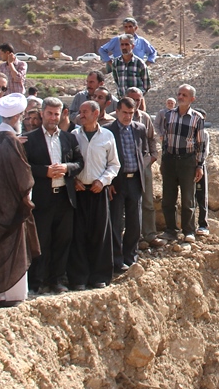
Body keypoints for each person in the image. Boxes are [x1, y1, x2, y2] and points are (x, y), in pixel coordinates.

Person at [0, 93, 39, 306]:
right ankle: (9, 294)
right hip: (11, 203)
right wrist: (27, 196)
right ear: (18, 116)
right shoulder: (11, 140)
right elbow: (22, 176)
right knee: (11, 246)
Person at [24, 97, 83, 294]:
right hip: (42, 197)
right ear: (42, 113)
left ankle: (56, 280)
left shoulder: (68, 138)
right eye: (49, 113)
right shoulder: (30, 139)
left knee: (62, 239)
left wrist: (66, 168)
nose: (52, 117)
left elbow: (79, 163)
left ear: (62, 115)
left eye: (56, 114)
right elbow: (25, 167)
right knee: (41, 240)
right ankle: (36, 281)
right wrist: (44, 172)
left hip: (64, 198)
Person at [71, 100, 119, 289]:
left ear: (96, 113)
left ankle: (99, 276)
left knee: (100, 233)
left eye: (84, 112)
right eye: (80, 112)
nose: (81, 115)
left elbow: (114, 164)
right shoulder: (74, 136)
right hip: (79, 191)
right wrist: (74, 180)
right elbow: (68, 161)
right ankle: (79, 277)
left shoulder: (107, 136)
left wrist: (103, 181)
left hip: (98, 191)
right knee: (78, 234)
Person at [158, 84, 207, 242]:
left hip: (187, 161)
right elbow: (165, 139)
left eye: (184, 95)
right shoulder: (168, 115)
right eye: (179, 94)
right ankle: (170, 230)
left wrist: (199, 165)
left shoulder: (197, 118)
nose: (180, 97)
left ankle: (189, 231)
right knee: (168, 198)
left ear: (192, 99)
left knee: (188, 199)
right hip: (170, 160)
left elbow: (200, 144)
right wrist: (163, 160)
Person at [107, 96, 148, 271]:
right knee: (116, 221)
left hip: (135, 181)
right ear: (117, 111)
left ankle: (130, 256)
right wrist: (108, 182)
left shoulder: (139, 129)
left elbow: (144, 151)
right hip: (117, 181)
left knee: (135, 222)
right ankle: (116, 260)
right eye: (124, 113)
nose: (128, 116)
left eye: (131, 113)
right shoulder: (108, 131)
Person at [123, 88, 160, 243]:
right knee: (126, 203)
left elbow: (151, 138)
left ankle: (150, 234)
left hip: (143, 165)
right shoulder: (115, 118)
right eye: (133, 99)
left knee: (147, 201)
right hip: (124, 168)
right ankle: (131, 236)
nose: (136, 103)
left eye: (139, 100)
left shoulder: (144, 118)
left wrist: (153, 156)